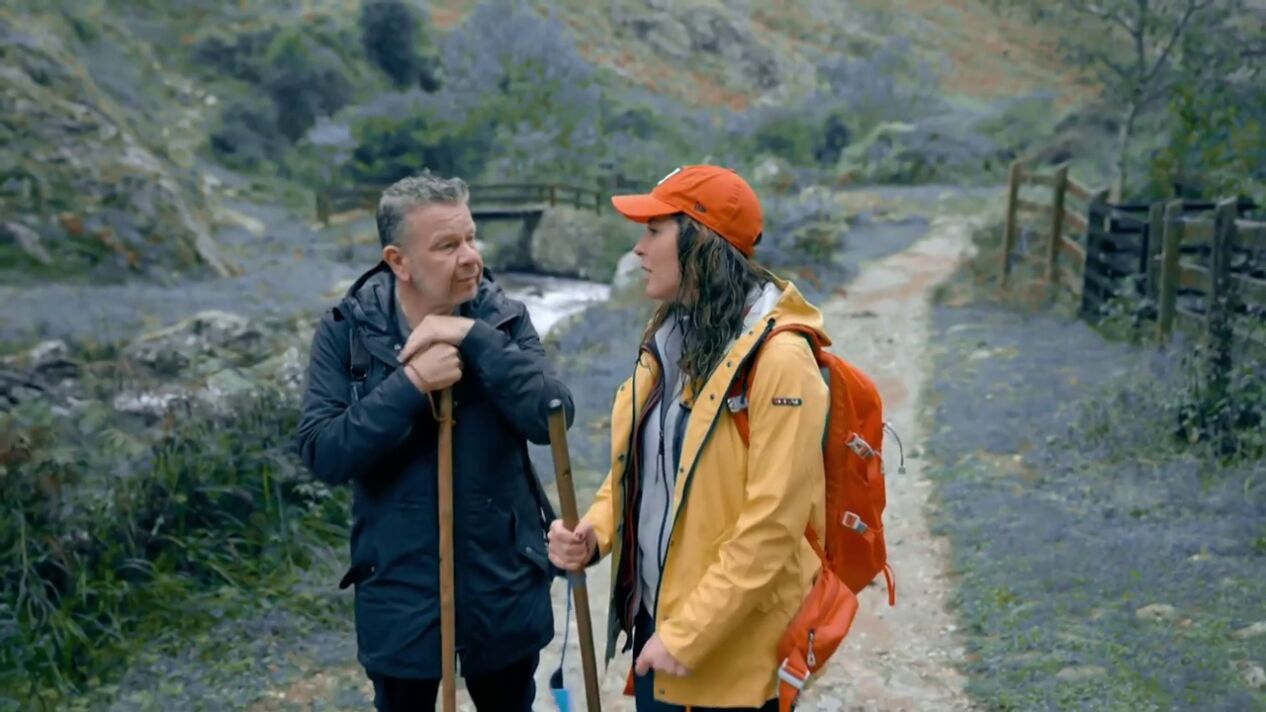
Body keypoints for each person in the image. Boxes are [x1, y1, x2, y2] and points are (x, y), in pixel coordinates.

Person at [547, 165, 830, 711]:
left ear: (701, 242)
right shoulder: (671, 337)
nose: (638, 248)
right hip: (661, 628)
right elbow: (644, 467)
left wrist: (689, 632)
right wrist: (595, 532)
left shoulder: (781, 361)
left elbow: (773, 525)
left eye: (655, 230)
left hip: (730, 649)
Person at [296, 173, 573, 711]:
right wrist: (411, 385)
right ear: (398, 261)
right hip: (399, 590)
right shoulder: (347, 331)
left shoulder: (504, 319)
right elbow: (323, 452)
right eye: (447, 246)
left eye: (471, 238)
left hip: (503, 580)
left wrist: (476, 341)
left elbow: (553, 417)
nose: (470, 257)